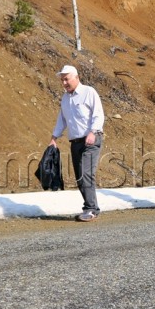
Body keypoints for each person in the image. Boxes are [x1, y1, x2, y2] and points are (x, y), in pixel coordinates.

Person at [50, 65, 105, 221]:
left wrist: (93, 132)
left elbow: (98, 114)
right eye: (62, 80)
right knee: (80, 177)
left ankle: (91, 209)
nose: (64, 83)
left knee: (86, 174)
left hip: (91, 140)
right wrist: (54, 137)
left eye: (67, 79)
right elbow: (62, 119)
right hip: (75, 142)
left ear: (76, 77)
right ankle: (90, 207)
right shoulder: (65, 98)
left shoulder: (89, 92)